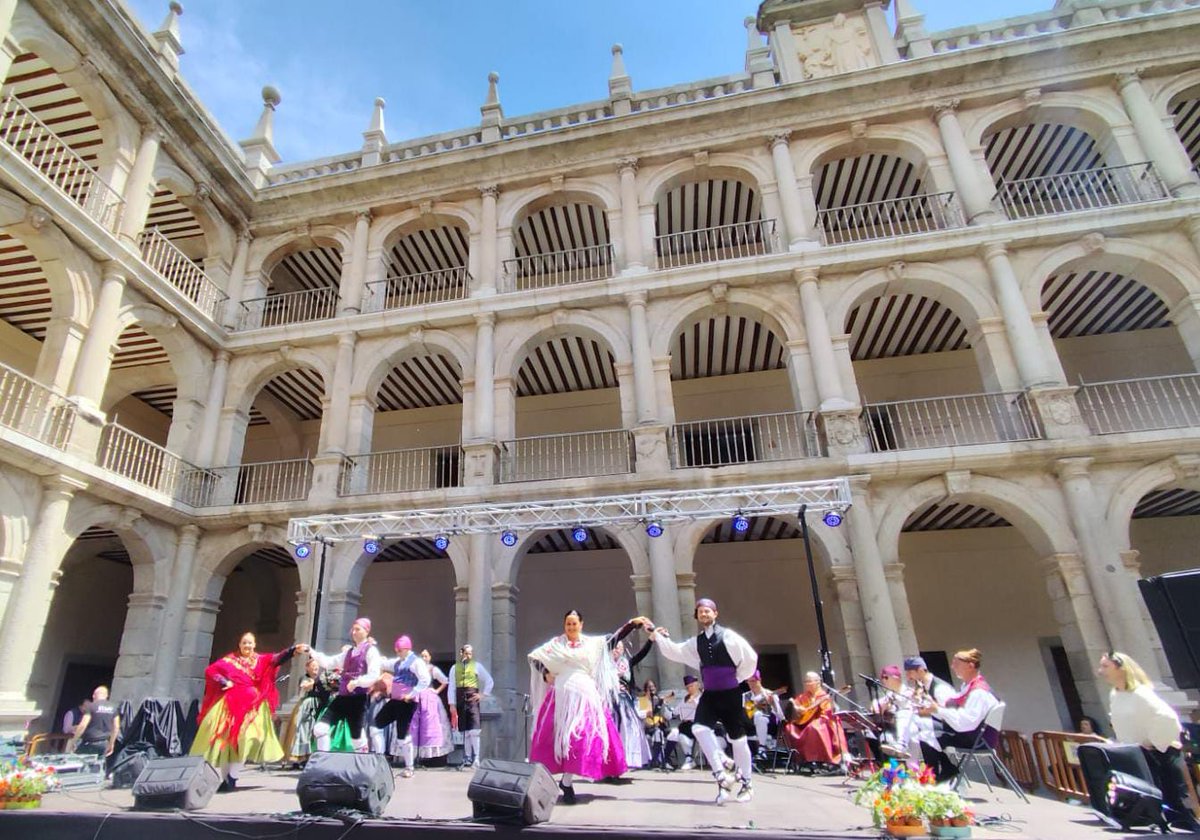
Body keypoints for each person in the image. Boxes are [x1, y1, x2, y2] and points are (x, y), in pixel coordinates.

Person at [528, 610, 650, 803]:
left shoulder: (592, 644)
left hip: (585, 696)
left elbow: (613, 639)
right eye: (568, 623)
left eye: (574, 623)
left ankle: (566, 782)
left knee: (582, 738)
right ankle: (551, 783)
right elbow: (535, 658)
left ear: (581, 625)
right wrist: (545, 673)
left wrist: (632, 624)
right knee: (553, 740)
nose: (571, 627)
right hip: (561, 696)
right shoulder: (555, 645)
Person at [652, 598, 758, 805]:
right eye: (700, 612)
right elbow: (676, 651)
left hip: (730, 693)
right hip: (710, 694)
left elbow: (750, 659)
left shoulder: (728, 637)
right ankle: (721, 773)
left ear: (715, 614)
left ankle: (747, 782)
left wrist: (735, 679)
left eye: (708, 611)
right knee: (699, 729)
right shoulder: (697, 641)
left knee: (738, 739)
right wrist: (658, 637)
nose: (704, 614)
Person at [189, 633, 306, 790]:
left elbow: (276, 658)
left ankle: (232, 776)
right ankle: (227, 780)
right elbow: (211, 670)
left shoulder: (260, 660)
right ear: (239, 644)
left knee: (247, 739)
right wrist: (224, 681)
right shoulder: (229, 661)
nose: (247, 646)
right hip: (230, 705)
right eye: (244, 643)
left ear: (254, 645)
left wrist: (293, 650)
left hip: (253, 707)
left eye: (250, 643)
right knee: (227, 743)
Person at [1100, 651, 1200, 833]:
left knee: (1175, 791)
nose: (1101, 671)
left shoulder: (1140, 693)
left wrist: (1153, 741)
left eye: (1105, 666)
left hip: (1160, 749)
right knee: (1152, 790)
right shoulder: (1115, 694)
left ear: (1120, 668)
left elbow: (1166, 718)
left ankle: (1185, 822)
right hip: (1138, 751)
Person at [918, 648, 1000, 783]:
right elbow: (953, 708)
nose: (952, 666)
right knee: (923, 727)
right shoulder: (967, 687)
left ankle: (934, 776)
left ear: (970, 666)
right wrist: (932, 707)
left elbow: (965, 723)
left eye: (956, 663)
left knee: (926, 734)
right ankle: (945, 769)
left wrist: (938, 709)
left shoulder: (979, 692)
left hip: (976, 739)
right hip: (969, 733)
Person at [310, 617, 382, 753]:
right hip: (342, 698)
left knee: (357, 739)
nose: (353, 632)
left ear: (366, 631)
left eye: (357, 629)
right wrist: (311, 652)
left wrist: (356, 683)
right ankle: (324, 761)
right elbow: (328, 662)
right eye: (353, 629)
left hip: (358, 700)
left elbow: (373, 675)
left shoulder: (371, 651)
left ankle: (363, 765)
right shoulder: (348, 653)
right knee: (320, 728)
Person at [372, 635, 429, 778]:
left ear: (406, 649)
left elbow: (425, 680)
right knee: (375, 726)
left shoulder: (416, 662)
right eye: (396, 650)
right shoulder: (397, 662)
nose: (397, 652)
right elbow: (382, 663)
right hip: (395, 701)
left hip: (407, 702)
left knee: (402, 735)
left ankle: (409, 767)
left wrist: (412, 694)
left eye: (399, 650)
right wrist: (371, 647)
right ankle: (380, 761)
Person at [781, 671, 848, 770]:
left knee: (813, 727)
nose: (807, 684)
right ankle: (799, 759)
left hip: (822, 721)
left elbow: (827, 713)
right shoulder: (803, 696)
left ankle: (817, 759)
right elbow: (795, 709)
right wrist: (798, 710)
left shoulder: (823, 696)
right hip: (803, 723)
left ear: (818, 682)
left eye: (809, 681)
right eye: (805, 682)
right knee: (789, 728)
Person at [447, 644, 494, 769]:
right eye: (466, 653)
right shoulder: (454, 668)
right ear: (461, 653)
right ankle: (467, 757)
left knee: (474, 730)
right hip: (460, 700)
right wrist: (452, 704)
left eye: (470, 653)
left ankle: (476, 757)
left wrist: (483, 695)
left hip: (472, 700)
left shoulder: (477, 666)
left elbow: (489, 680)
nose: (468, 655)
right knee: (465, 731)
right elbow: (451, 687)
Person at [283, 657, 337, 765]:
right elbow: (304, 686)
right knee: (303, 730)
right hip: (307, 706)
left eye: (317, 667)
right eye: (313, 666)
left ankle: (311, 757)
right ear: (307, 668)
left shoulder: (322, 678)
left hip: (319, 706)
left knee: (314, 731)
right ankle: (298, 759)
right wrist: (314, 683)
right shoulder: (305, 677)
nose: (315, 668)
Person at [611, 636, 653, 770]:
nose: (616, 650)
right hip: (609, 700)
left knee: (629, 731)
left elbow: (641, 654)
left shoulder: (626, 663)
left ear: (623, 649)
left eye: (619, 647)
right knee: (611, 732)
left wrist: (650, 640)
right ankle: (610, 766)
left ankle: (623, 763)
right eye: (614, 648)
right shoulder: (605, 665)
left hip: (624, 701)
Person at [411, 649, 453, 762]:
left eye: (426, 656)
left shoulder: (433, 669)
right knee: (414, 725)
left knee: (429, 725)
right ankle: (415, 756)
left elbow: (445, 681)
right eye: (422, 656)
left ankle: (429, 757)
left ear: (429, 657)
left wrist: (437, 691)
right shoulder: (415, 669)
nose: (424, 658)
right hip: (416, 697)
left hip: (429, 698)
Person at [71, 685, 121, 759]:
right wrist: (111, 743)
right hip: (103, 743)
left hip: (89, 743)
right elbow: (116, 727)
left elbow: (83, 725)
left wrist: (74, 740)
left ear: (94, 695)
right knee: (98, 767)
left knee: (80, 765)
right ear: (107, 696)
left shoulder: (91, 706)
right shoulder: (114, 708)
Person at [742, 670, 785, 756]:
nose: (751, 684)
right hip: (750, 726)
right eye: (749, 681)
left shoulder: (769, 694)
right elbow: (747, 713)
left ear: (759, 680)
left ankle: (762, 747)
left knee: (760, 716)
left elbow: (781, 716)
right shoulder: (745, 696)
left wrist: (773, 703)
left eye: (753, 681)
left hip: (769, 726)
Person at [668, 675, 702, 770]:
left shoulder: (703, 696)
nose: (690, 689)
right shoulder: (685, 699)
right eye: (687, 687)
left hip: (700, 723)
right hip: (687, 724)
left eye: (691, 686)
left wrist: (694, 702)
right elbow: (675, 711)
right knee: (681, 735)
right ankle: (689, 758)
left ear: (697, 685)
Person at [639, 679, 674, 769]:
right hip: (648, 728)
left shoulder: (658, 699)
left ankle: (665, 758)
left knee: (675, 732)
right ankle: (656, 760)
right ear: (645, 690)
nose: (651, 689)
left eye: (653, 687)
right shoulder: (642, 701)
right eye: (649, 688)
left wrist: (663, 705)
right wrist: (648, 712)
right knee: (657, 733)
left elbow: (668, 716)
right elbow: (641, 715)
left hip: (660, 726)